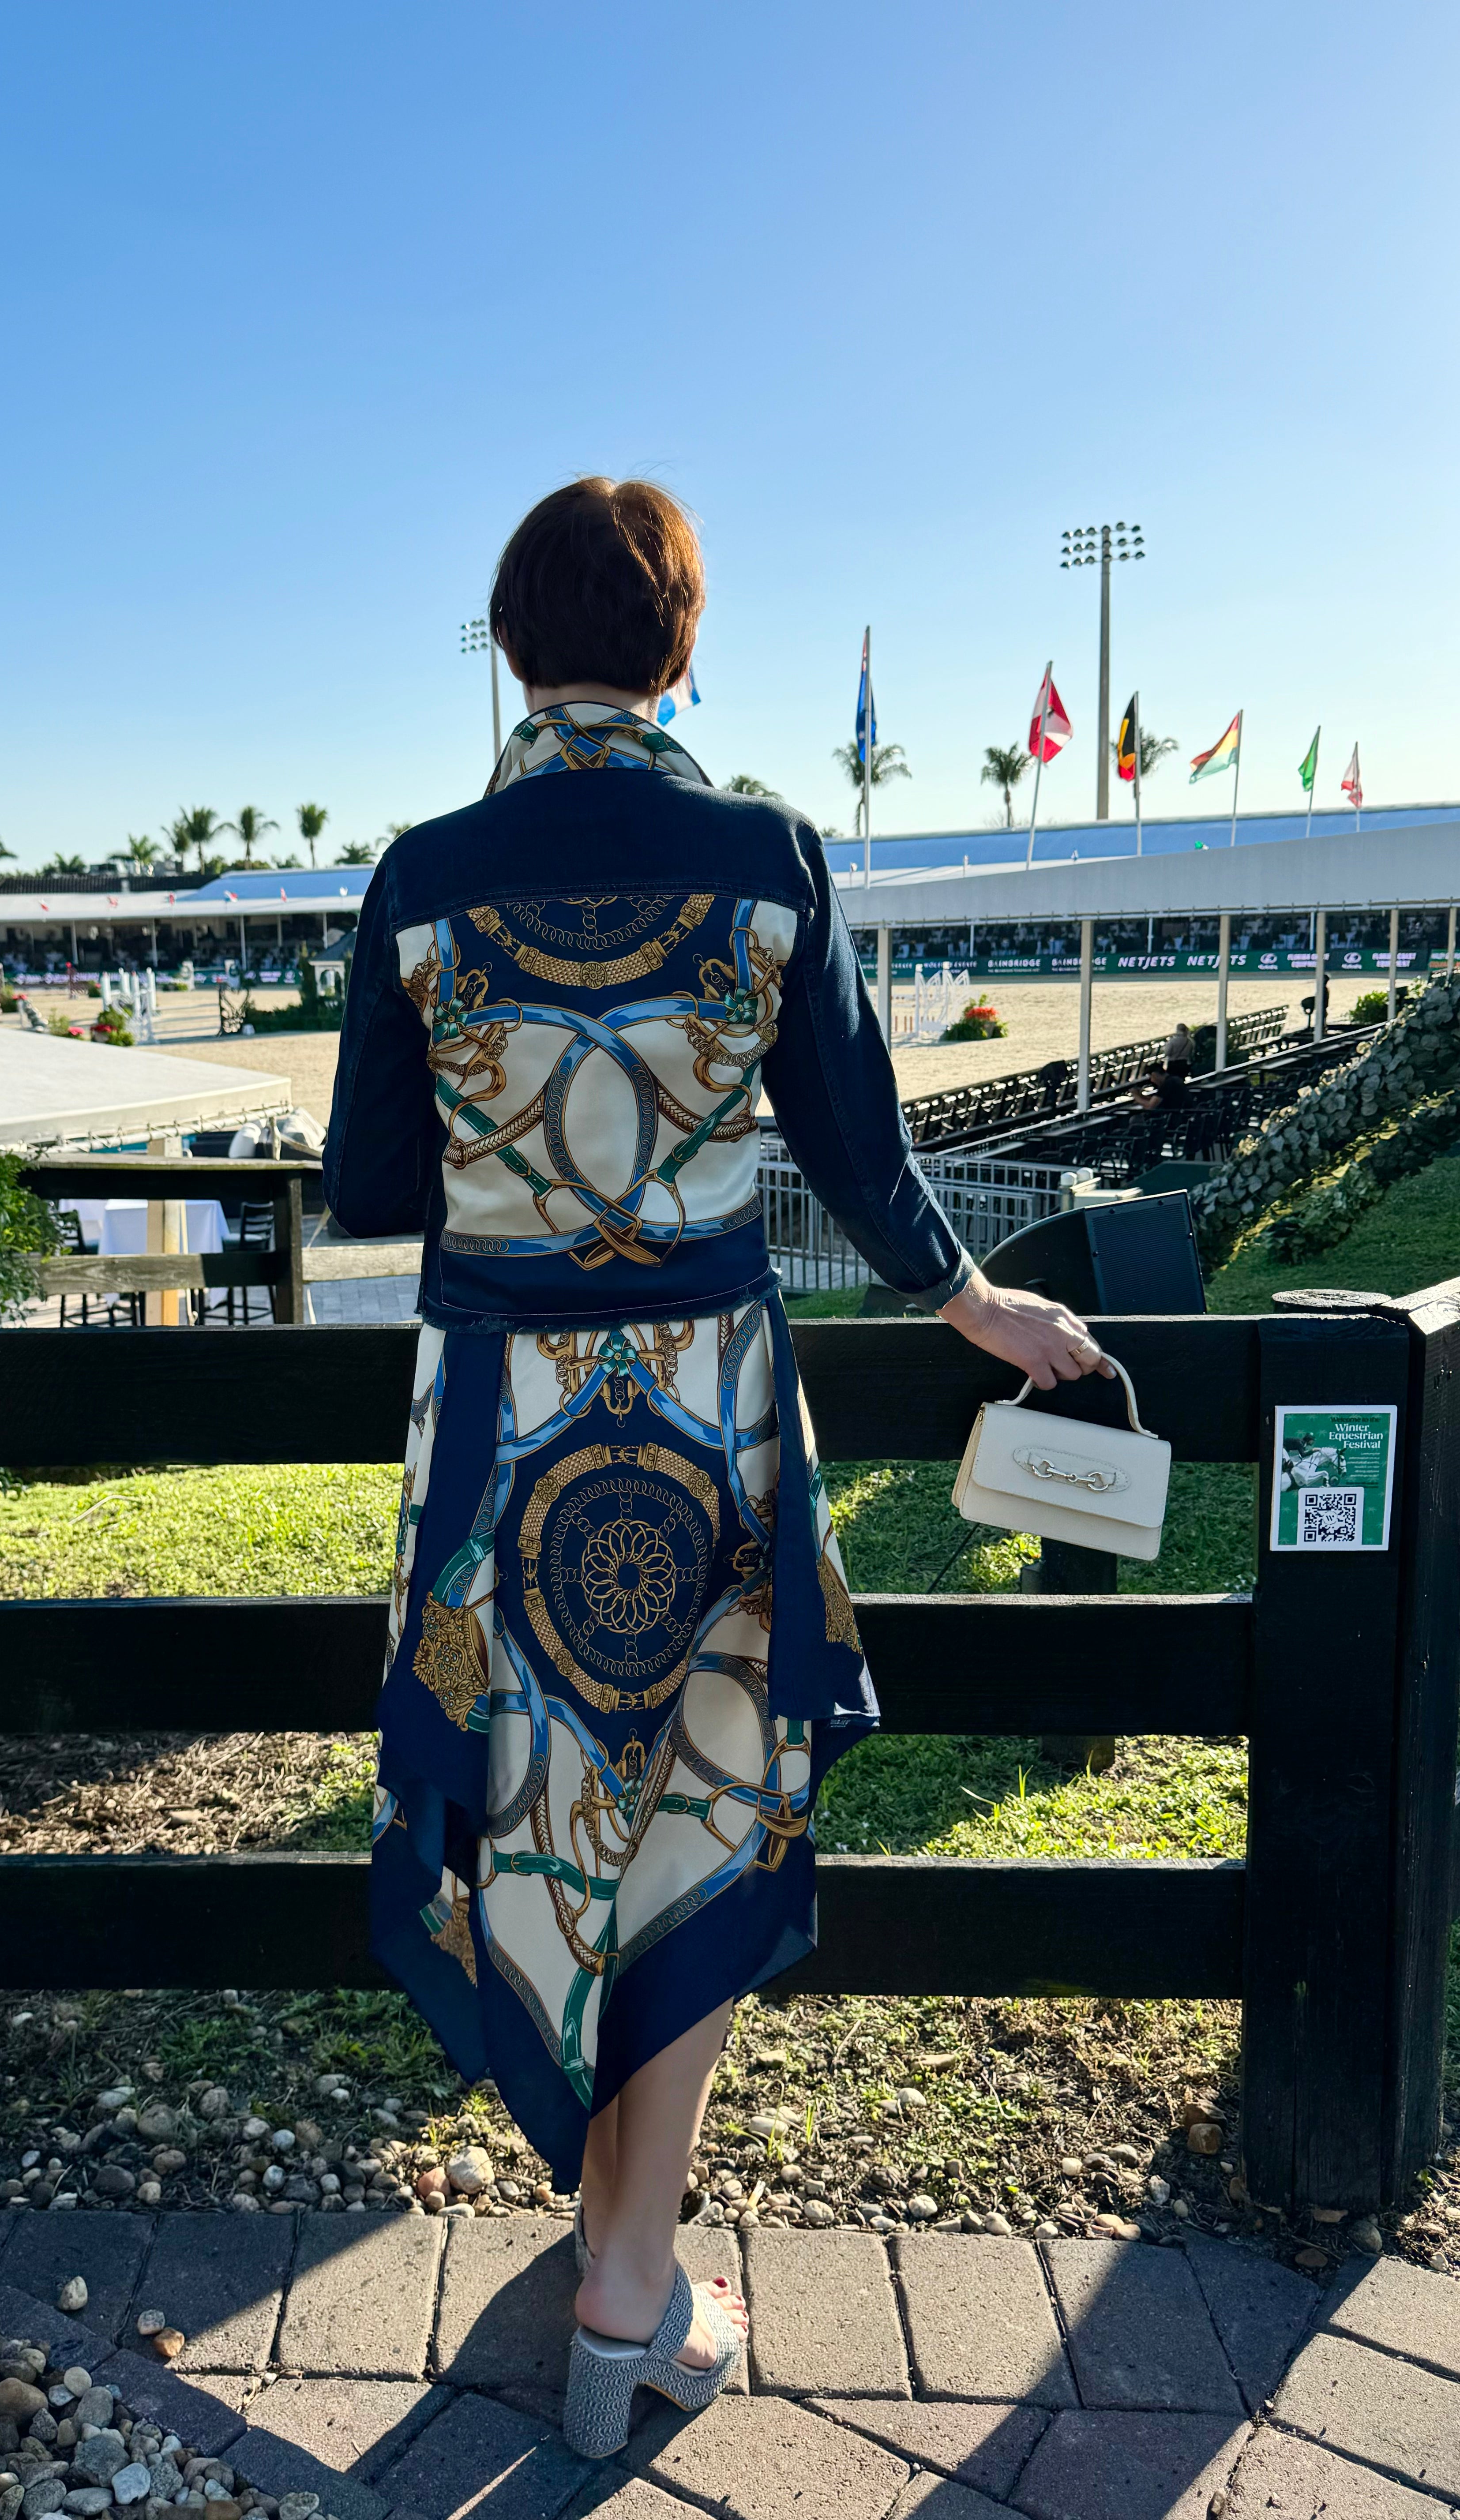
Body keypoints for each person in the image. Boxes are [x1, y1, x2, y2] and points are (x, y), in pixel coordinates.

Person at [323, 477, 1111, 2458]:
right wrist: (973, 1306)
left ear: (514, 645)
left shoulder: (420, 877)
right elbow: (858, 1146)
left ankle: (613, 2254)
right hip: (708, 1414)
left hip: (498, 1432)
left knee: (535, 1802)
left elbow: (370, 1186)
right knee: (699, 1799)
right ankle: (628, 2276)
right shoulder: (769, 856)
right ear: (682, 645)